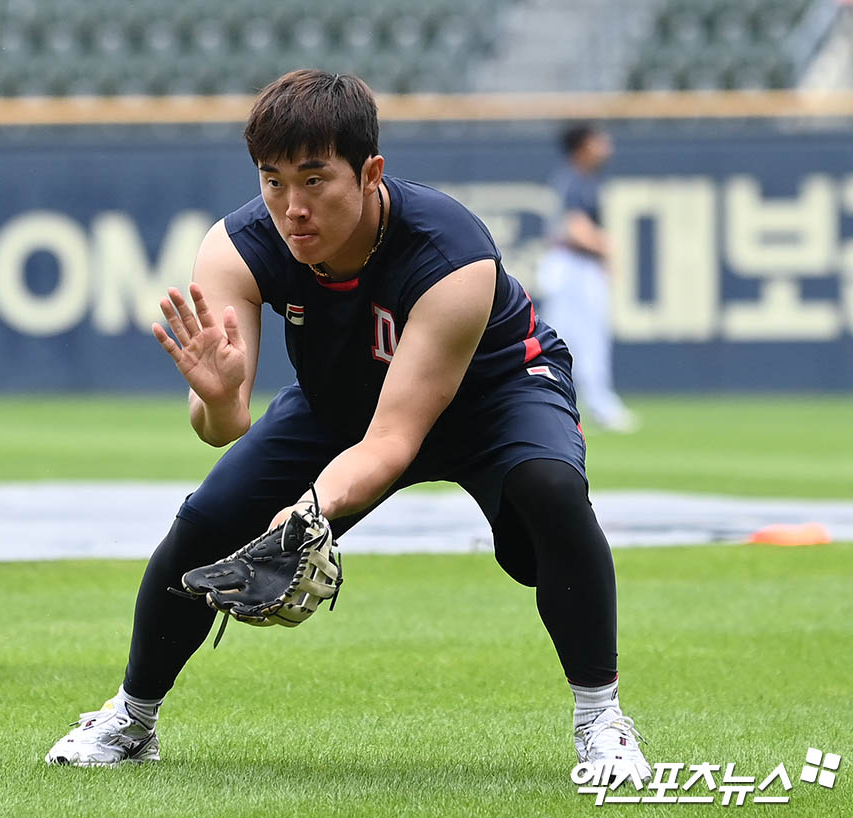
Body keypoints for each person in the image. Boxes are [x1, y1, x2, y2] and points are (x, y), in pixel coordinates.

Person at [46, 70, 651, 782]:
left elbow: (396, 439)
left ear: (371, 173)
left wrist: (309, 515)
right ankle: (131, 718)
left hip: (494, 395)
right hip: (343, 398)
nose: (292, 208)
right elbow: (224, 425)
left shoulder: (451, 252)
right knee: (207, 522)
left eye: (314, 180)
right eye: (272, 181)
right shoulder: (236, 248)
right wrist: (214, 396)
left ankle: (601, 719)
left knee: (547, 499)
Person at [536, 124, 638, 433]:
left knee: (569, 336)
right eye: (598, 140)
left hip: (575, 267)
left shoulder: (582, 179)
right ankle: (595, 403)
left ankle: (577, 401)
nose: (605, 145)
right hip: (573, 267)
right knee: (572, 337)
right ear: (582, 146)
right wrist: (607, 248)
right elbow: (575, 226)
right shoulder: (575, 180)